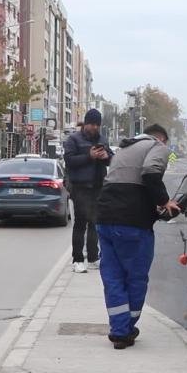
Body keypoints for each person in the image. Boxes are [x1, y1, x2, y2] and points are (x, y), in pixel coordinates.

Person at [95, 124, 180, 349]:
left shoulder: (124, 148)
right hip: (132, 222)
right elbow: (151, 173)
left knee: (113, 277)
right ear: (161, 138)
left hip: (105, 217)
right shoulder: (158, 147)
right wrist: (165, 202)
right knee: (135, 277)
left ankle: (119, 329)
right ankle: (124, 329)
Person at [63, 109, 112, 273]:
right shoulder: (73, 139)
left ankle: (93, 257)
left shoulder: (102, 139)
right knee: (80, 224)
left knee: (95, 223)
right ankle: (77, 259)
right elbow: (69, 161)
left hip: (98, 187)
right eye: (92, 124)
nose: (95, 128)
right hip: (80, 187)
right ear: (86, 123)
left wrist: (106, 156)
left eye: (97, 125)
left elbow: (112, 159)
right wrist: (89, 156)